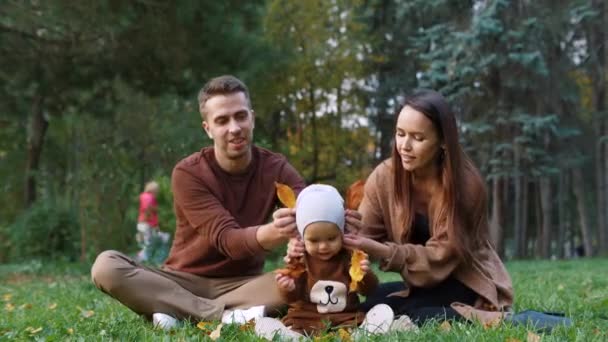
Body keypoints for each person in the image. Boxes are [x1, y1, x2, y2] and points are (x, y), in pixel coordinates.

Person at [91, 75, 306, 329]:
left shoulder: (275, 168)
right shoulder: (189, 172)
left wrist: (311, 229)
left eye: (240, 116)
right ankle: (225, 317)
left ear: (252, 118)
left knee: (314, 273)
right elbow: (228, 240)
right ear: (208, 129)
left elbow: (310, 210)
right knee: (106, 266)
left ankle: (179, 313)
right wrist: (276, 232)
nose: (234, 127)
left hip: (244, 285)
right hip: (181, 281)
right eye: (222, 120)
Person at [289, 89, 513, 326]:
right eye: (400, 134)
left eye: (418, 138)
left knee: (415, 314)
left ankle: (520, 320)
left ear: (443, 142)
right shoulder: (385, 177)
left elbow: (442, 257)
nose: (404, 146)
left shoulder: (465, 186)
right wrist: (306, 239)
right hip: (419, 283)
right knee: (372, 303)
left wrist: (384, 252)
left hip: (463, 280)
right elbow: (359, 237)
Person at [255, 184, 396, 340]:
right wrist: (287, 288)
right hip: (305, 319)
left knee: (374, 313)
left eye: (331, 238)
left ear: (342, 232)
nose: (323, 246)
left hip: (345, 319)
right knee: (290, 324)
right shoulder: (300, 260)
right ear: (302, 237)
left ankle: (360, 333)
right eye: (314, 240)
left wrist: (364, 274)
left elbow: (369, 291)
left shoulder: (350, 256)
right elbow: (291, 299)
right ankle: (293, 337)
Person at [135, 180, 170, 262]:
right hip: (146, 224)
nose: (157, 192)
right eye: (157, 190)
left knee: (157, 241)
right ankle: (143, 259)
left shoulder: (145, 196)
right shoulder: (148, 197)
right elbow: (148, 209)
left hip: (144, 224)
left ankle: (153, 259)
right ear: (153, 189)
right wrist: (152, 223)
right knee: (151, 243)